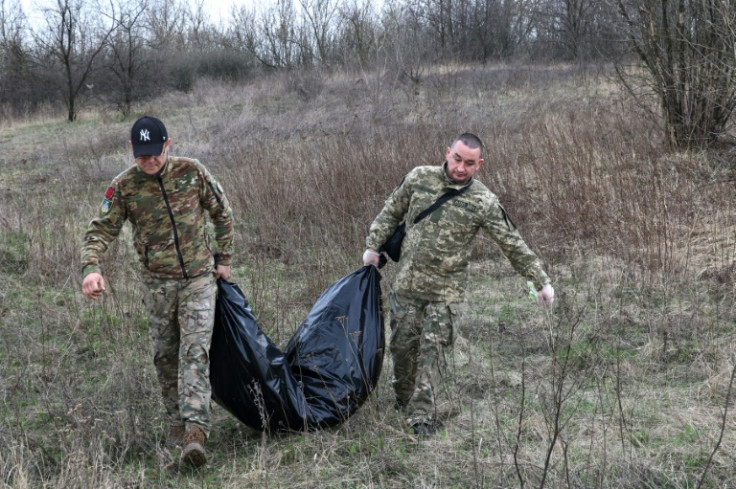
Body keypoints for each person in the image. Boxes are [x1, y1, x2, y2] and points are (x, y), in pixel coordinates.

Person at [362, 133, 554, 436]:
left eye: (469, 163)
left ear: (479, 165)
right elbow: (391, 211)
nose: (461, 168)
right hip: (407, 289)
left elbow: (512, 243)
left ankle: (421, 416)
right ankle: (403, 398)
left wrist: (540, 281)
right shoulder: (418, 178)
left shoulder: (484, 202)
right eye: (457, 159)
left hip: (446, 295)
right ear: (448, 152)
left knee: (433, 354)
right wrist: (373, 247)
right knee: (402, 350)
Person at [81, 116, 234, 467]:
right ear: (132, 150)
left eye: (155, 154)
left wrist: (223, 259)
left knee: (194, 352)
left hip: (198, 279)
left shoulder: (192, 172)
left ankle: (196, 433)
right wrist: (91, 269)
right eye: (142, 155)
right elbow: (99, 231)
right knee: (166, 355)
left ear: (168, 145)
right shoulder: (123, 187)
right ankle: (175, 427)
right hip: (157, 284)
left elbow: (222, 213)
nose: (149, 161)